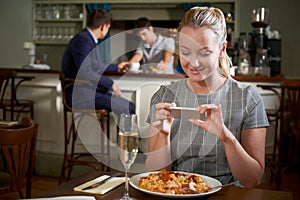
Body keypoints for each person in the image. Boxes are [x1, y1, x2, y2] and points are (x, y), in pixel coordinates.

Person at [145, 7, 269, 188]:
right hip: (179, 193)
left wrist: (226, 137)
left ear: (221, 49)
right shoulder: (164, 96)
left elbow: (252, 179)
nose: (193, 63)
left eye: (204, 53)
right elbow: (155, 176)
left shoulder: (248, 98)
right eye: (186, 52)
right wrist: (163, 135)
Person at [61, 8, 135, 115]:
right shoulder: (83, 40)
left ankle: (119, 132)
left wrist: (117, 67)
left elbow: (96, 65)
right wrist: (111, 84)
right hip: (79, 95)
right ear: (103, 26)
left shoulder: (87, 39)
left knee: (126, 106)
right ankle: (125, 132)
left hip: (85, 91)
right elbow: (85, 72)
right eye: (108, 28)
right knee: (129, 107)